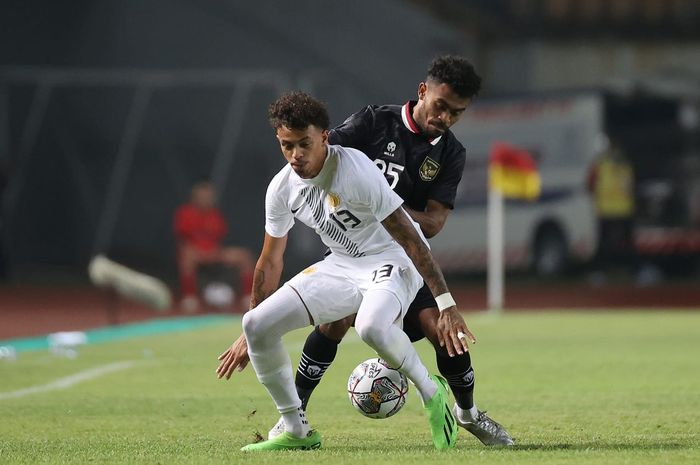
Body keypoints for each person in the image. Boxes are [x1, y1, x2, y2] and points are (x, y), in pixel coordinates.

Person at [224, 55, 514, 447]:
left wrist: (379, 203)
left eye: (456, 113)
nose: (445, 117)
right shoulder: (371, 124)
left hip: (402, 258)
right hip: (347, 259)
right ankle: (294, 424)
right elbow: (273, 251)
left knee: (437, 332)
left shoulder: (445, 154)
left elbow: (427, 227)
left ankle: (466, 412)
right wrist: (254, 318)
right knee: (279, 324)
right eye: (441, 106)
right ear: (423, 92)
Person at [174, 181, 254, 312]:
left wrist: (215, 253)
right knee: (187, 256)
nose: (205, 200)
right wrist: (201, 253)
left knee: (244, 256)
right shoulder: (185, 213)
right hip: (196, 254)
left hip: (215, 253)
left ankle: (249, 296)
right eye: (202, 196)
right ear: (195, 197)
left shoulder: (215, 215)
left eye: (208, 197)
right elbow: (183, 242)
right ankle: (190, 297)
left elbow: (219, 240)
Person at [587, 137, 636, 284]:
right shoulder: (624, 164)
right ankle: (633, 272)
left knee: (605, 245)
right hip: (623, 209)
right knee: (626, 244)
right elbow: (631, 185)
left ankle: (600, 273)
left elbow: (589, 186)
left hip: (608, 210)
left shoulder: (599, 166)